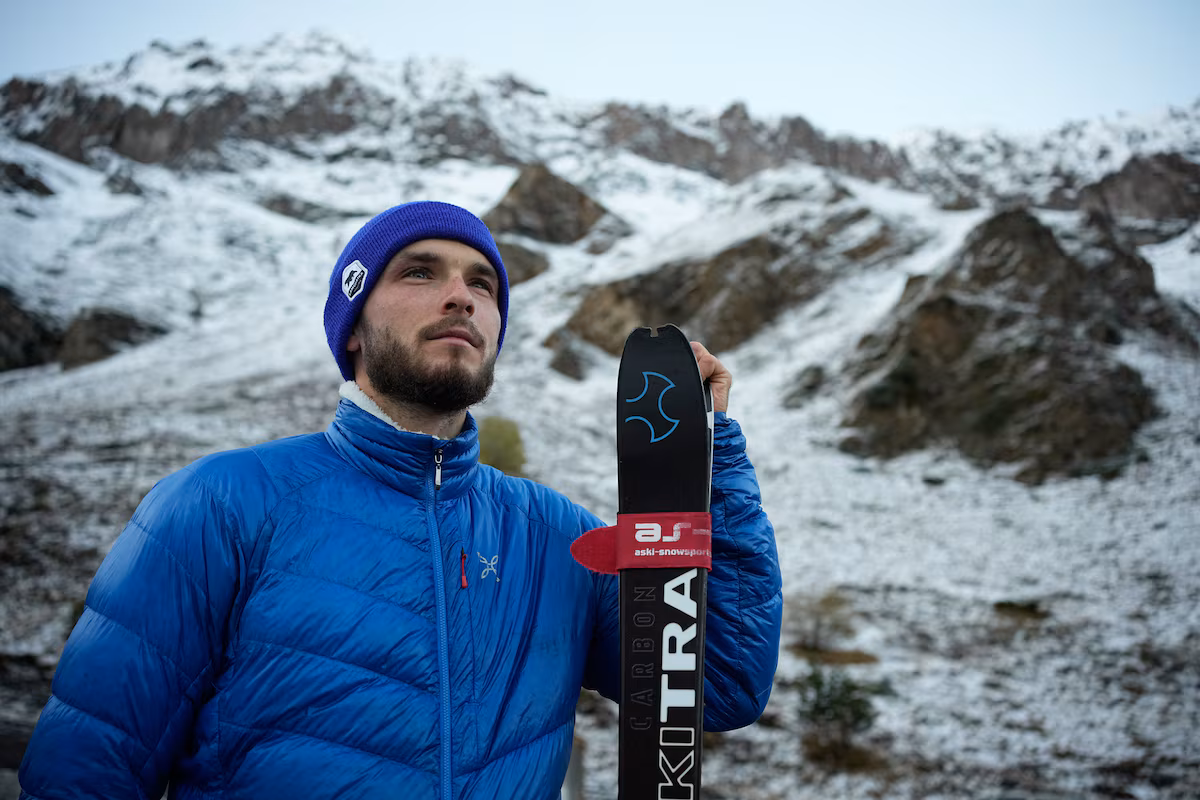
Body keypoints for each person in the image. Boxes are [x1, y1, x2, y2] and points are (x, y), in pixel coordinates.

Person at [19, 201, 783, 799]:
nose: (461, 296)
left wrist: (708, 457)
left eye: (483, 284)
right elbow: (86, 771)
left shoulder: (553, 537)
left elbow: (719, 685)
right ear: (353, 326)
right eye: (420, 272)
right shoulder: (218, 505)